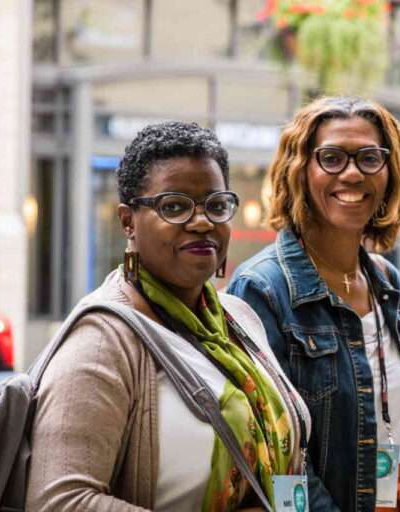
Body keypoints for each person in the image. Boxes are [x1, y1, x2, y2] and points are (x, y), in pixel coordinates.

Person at [26, 122, 310, 511]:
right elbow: (59, 502)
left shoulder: (239, 318)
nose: (201, 222)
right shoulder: (102, 341)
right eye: (174, 206)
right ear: (128, 221)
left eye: (215, 205)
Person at [228, 96, 400, 512]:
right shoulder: (263, 289)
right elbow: (275, 454)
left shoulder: (389, 285)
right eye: (331, 158)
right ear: (300, 171)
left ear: (390, 172)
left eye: (369, 158)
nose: (351, 173)